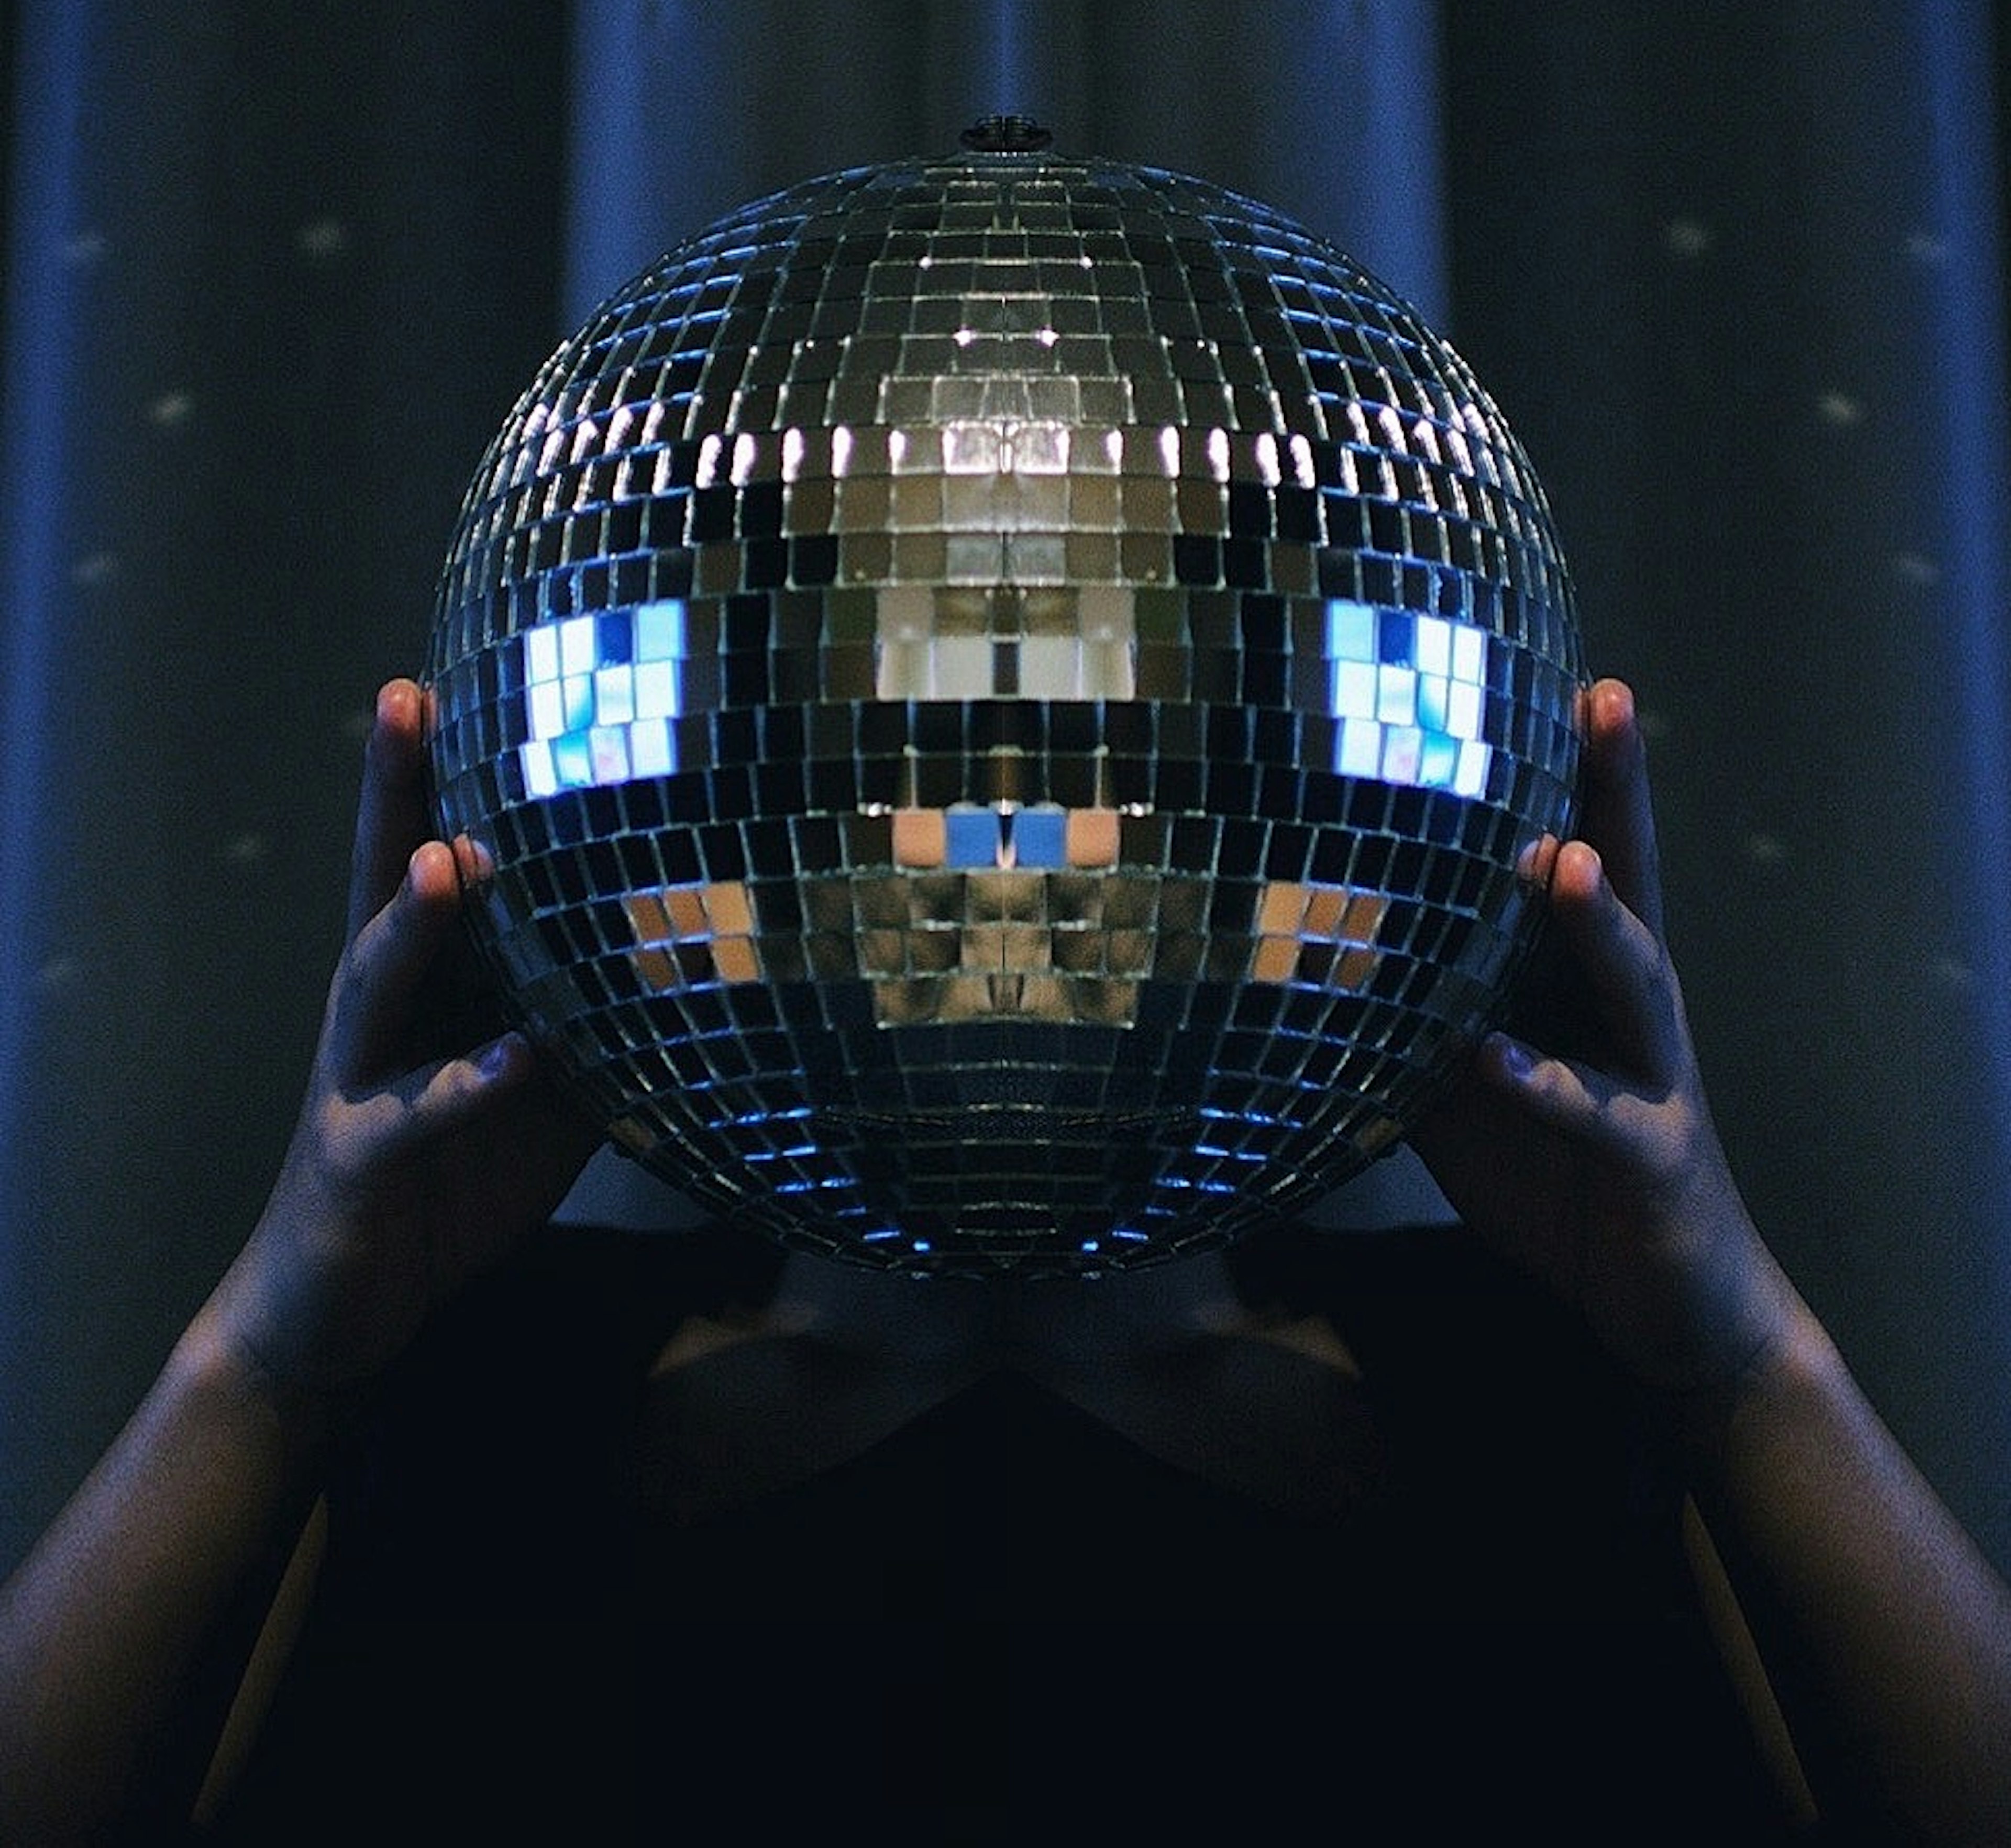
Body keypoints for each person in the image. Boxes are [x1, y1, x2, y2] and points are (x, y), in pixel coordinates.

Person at [3, 677, 2009, 1845]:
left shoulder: (1533, 1384)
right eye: (920, 749)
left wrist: (1738, 1351)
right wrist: (272, 1354)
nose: (1006, 850)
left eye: (1091, 749)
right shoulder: (479, 1383)